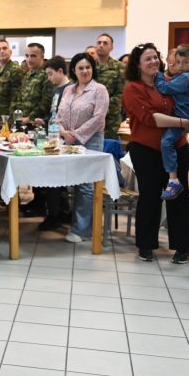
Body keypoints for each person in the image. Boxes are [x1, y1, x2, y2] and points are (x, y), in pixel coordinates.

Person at [123, 43, 189, 263]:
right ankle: (146, 245)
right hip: (147, 150)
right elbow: (150, 119)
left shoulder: (170, 82)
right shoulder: (133, 89)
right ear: (137, 65)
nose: (154, 61)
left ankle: (182, 247)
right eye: (148, 59)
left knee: (179, 197)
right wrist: (183, 122)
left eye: (155, 57)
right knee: (151, 196)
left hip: (177, 147)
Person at [57, 52, 109, 243]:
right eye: (81, 68)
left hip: (91, 140)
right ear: (74, 70)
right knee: (73, 183)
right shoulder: (68, 90)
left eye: (88, 67)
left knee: (86, 185)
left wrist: (76, 135)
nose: (85, 71)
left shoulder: (99, 90)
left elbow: (99, 118)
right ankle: (77, 224)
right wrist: (63, 132)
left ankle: (82, 230)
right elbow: (58, 115)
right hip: (68, 141)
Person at [155, 43, 189, 200]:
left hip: (183, 118)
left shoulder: (186, 78)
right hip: (186, 116)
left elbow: (164, 88)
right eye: (178, 62)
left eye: (185, 62)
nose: (180, 66)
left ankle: (173, 180)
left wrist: (158, 74)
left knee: (166, 143)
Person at [34, 56, 72, 232]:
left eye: (50, 74)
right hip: (53, 134)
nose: (48, 78)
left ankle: (57, 213)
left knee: (56, 180)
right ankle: (57, 211)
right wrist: (45, 120)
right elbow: (54, 113)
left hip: (63, 136)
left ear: (60, 71)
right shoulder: (56, 90)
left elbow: (65, 115)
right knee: (52, 178)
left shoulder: (70, 89)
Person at [94, 33, 125, 139]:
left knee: (109, 145)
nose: (101, 45)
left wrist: (102, 106)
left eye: (105, 43)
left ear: (111, 47)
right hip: (90, 115)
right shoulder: (89, 66)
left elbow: (121, 93)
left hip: (111, 118)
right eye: (99, 43)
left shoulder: (119, 67)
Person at [11, 42, 46, 123]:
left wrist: (29, 118)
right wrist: (18, 117)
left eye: (33, 56)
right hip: (22, 122)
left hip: (37, 123)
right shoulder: (26, 75)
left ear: (42, 57)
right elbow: (19, 98)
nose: (29, 59)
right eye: (27, 56)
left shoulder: (46, 75)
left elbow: (46, 102)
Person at [0, 38, 24, 118]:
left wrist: (13, 119)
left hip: (7, 117)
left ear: (10, 52)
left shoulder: (15, 70)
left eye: (4, 48)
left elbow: (17, 98)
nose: (2, 51)